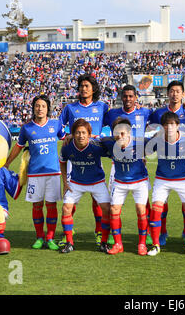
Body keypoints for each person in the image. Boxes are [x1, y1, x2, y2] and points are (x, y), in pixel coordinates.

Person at [5, 95, 65, 250]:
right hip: (34, 174)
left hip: (53, 172)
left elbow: (66, 140)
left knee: (51, 205)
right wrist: (7, 162)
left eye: (43, 106)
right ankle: (39, 237)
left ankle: (50, 238)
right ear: (33, 108)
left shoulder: (55, 124)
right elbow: (18, 147)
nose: (40, 109)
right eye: (37, 106)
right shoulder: (27, 128)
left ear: (48, 108)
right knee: (37, 206)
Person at [148, 80, 185, 246]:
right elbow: (148, 129)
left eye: (178, 91)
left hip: (184, 163)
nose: (174, 94)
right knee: (161, 204)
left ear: (183, 94)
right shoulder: (158, 113)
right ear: (168, 93)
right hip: (164, 162)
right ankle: (162, 232)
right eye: (172, 91)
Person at [59, 74, 109, 245]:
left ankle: (99, 232)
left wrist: (102, 137)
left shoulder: (102, 107)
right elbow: (59, 127)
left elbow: (113, 123)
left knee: (97, 198)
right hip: (75, 156)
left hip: (94, 154)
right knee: (71, 198)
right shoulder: (71, 108)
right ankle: (68, 231)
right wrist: (67, 135)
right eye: (81, 85)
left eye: (87, 85)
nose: (83, 88)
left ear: (93, 88)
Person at [146, 111, 185, 257]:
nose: (169, 127)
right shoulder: (158, 139)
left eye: (172, 124)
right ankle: (155, 244)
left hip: (184, 179)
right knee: (156, 208)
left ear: (177, 126)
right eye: (166, 125)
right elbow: (146, 151)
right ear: (162, 127)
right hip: (162, 179)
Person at [58, 119, 111, 254]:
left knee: (106, 208)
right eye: (77, 133)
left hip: (97, 182)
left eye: (83, 133)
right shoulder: (67, 147)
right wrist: (65, 182)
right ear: (73, 134)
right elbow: (62, 162)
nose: (81, 136)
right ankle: (69, 242)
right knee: (66, 208)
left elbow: (113, 151)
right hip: (76, 182)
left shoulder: (96, 146)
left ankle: (103, 242)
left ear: (89, 134)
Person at [101, 117, 150, 255]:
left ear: (129, 132)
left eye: (123, 133)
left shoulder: (141, 143)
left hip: (139, 182)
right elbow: (91, 141)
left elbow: (162, 140)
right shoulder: (108, 142)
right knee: (114, 210)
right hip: (120, 182)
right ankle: (118, 244)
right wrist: (69, 137)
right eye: (117, 133)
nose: (120, 136)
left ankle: (142, 244)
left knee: (141, 209)